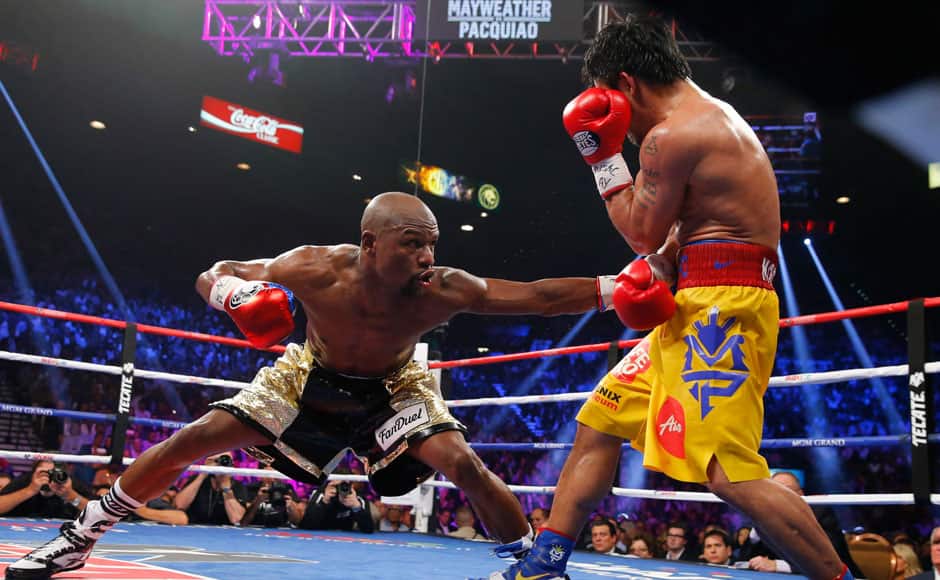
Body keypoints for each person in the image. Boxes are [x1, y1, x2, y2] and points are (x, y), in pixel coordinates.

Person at [8, 191, 618, 579]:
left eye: (433, 243)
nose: (427, 256)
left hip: (395, 383)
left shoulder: (446, 288)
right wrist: (236, 294)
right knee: (195, 437)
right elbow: (214, 273)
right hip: (309, 371)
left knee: (463, 465)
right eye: (413, 244)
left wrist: (616, 288)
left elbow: (536, 297)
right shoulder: (315, 267)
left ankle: (532, 564)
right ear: (370, 244)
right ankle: (79, 536)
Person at [491, 14, 851, 580]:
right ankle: (546, 563)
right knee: (601, 418)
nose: (618, 126)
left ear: (625, 86)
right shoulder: (708, 118)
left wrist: (600, 157)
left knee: (728, 472)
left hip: (721, 309)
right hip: (700, 296)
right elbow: (678, 232)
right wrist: (664, 262)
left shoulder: (670, 136)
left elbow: (639, 229)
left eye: (609, 100)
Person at [742, 471, 863, 577]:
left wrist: (776, 565)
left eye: (787, 490)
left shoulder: (819, 513)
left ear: (800, 494)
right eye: (774, 491)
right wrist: (758, 524)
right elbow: (744, 557)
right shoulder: (767, 517)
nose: (779, 496)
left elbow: (828, 560)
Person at [173, 452, 248, 526]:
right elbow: (179, 506)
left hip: (225, 533)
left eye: (227, 460)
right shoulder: (196, 480)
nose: (222, 463)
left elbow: (237, 519)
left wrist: (226, 489)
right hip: (194, 528)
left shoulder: (237, 486)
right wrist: (203, 473)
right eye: (217, 460)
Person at [0, 461, 92, 519]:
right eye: (44, 473)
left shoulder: (70, 483)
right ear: (34, 472)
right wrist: (30, 490)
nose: (49, 477)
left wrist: (71, 496)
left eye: (54, 473)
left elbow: (97, 513)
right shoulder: (25, 481)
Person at [296, 478, 373, 532]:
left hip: (346, 535)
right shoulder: (322, 493)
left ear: (351, 485)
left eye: (344, 485)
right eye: (337, 485)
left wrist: (356, 507)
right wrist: (324, 501)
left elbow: (368, 529)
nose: (340, 488)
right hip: (321, 533)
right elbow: (307, 525)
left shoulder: (355, 495)